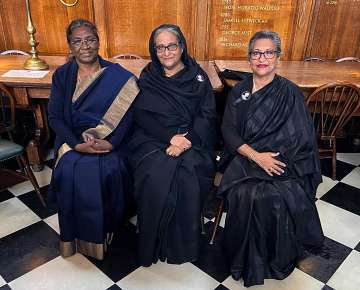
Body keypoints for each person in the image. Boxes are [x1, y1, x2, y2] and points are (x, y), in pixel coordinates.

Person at [218, 31, 324, 287]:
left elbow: (301, 138)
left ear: (278, 57)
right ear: (249, 58)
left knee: (272, 195)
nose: (262, 58)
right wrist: (256, 156)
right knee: (245, 194)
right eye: (256, 53)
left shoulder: (291, 93)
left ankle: (275, 258)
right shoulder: (240, 90)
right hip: (245, 158)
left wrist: (272, 160)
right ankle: (242, 258)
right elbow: (228, 130)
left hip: (282, 162)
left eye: (268, 53)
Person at [48, 19, 138, 260]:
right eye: (77, 41)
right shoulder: (62, 76)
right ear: (70, 45)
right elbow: (55, 117)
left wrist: (110, 143)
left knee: (109, 168)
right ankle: (74, 236)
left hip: (111, 140)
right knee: (68, 170)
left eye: (90, 39)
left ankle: (106, 229)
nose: (84, 46)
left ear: (98, 42)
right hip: (73, 140)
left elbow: (129, 118)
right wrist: (77, 144)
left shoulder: (120, 77)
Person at [129, 24, 218, 266]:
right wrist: (170, 138)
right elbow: (141, 115)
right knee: (153, 173)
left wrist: (184, 142)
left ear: (182, 47)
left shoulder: (198, 77)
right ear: (154, 49)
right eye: (160, 47)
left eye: (172, 46)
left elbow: (207, 116)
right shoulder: (148, 75)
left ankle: (182, 245)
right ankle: (153, 241)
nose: (167, 52)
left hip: (193, 139)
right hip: (154, 138)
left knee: (187, 172)